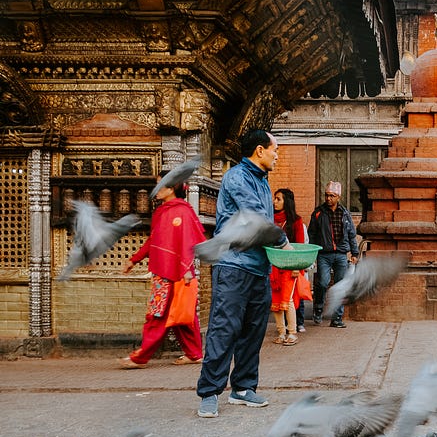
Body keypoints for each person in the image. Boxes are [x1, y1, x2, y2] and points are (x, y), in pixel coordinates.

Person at [195, 129, 288, 418]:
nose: (277, 155)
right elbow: (256, 218)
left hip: (258, 267)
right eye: (274, 149)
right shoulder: (237, 177)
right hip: (234, 266)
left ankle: (244, 387)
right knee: (225, 329)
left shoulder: (262, 180)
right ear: (260, 150)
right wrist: (282, 241)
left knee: (252, 330)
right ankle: (210, 392)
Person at [119, 174, 206, 369]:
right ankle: (194, 354)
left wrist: (185, 268)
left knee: (159, 316)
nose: (156, 190)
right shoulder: (162, 212)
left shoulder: (182, 212)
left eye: (160, 185)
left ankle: (140, 357)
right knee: (182, 317)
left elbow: (188, 241)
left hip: (179, 273)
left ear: (171, 188)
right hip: (165, 270)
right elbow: (154, 240)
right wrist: (134, 259)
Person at [307, 180, 358, 328]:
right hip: (324, 254)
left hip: (341, 254)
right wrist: (312, 254)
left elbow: (351, 234)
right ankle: (318, 308)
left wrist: (354, 252)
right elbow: (312, 234)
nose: (328, 198)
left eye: (332, 196)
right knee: (322, 283)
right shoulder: (318, 213)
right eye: (326, 195)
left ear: (338, 197)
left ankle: (337, 318)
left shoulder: (344, 213)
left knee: (340, 286)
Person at [270, 188, 306, 345]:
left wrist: (298, 267)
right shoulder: (269, 219)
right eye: (274, 199)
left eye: (278, 199)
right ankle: (281, 332)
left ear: (287, 202)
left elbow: (299, 246)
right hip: (273, 266)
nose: (274, 202)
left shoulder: (296, 221)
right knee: (275, 300)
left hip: (291, 266)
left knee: (288, 299)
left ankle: (292, 332)